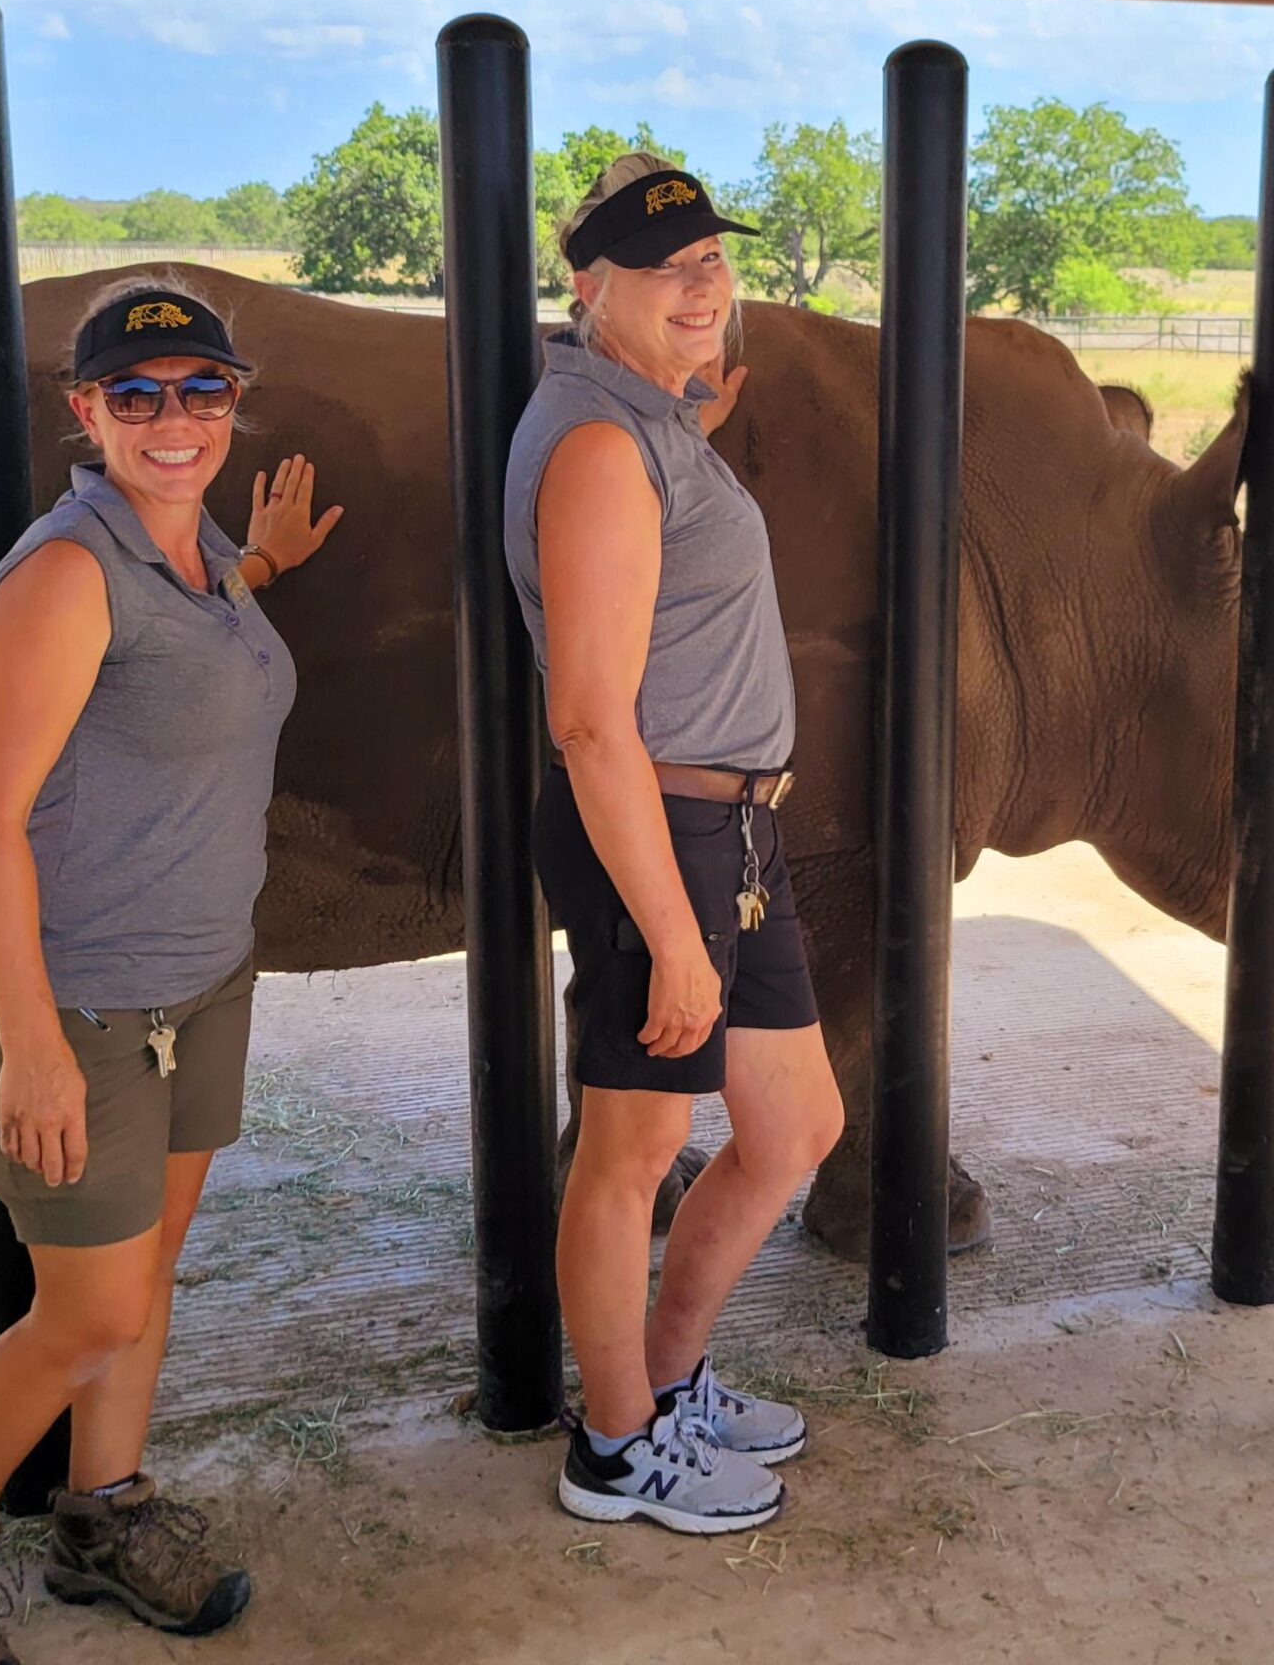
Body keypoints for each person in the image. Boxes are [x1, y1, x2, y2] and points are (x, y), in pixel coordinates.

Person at [0, 281, 342, 1665]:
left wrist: (264, 564)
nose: (173, 419)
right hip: (74, 1002)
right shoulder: (65, 573)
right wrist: (32, 1045)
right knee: (82, 1312)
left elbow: (177, 649)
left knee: (150, 1274)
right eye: (138, 397)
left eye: (202, 392)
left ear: (234, 406)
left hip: (200, 987)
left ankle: (102, 1513)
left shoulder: (189, 563)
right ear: (88, 415)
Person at [503, 155, 845, 1535]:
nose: (704, 283)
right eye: (667, 268)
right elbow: (590, 723)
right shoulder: (596, 444)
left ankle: (669, 1374)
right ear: (590, 289)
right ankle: (614, 1444)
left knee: (795, 1125)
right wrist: (673, 935)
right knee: (634, 1147)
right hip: (663, 828)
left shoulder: (642, 415)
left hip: (729, 830)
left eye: (713, 259)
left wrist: (689, 403)